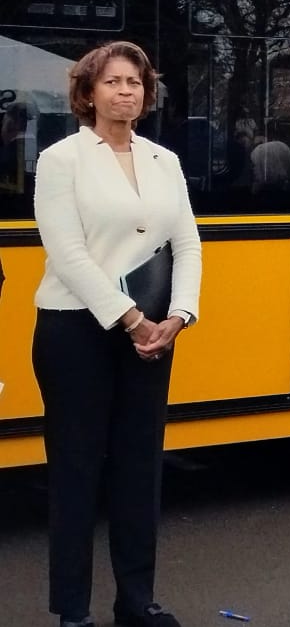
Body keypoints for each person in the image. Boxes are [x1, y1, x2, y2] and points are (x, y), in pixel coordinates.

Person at [31, 41, 202, 627]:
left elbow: (187, 244)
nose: (125, 91)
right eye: (112, 82)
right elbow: (68, 254)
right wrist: (132, 319)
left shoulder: (164, 161)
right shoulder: (61, 160)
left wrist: (179, 315)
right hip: (75, 332)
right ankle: (72, 610)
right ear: (88, 92)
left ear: (146, 94)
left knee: (140, 469)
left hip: (154, 334)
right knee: (76, 472)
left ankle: (136, 601)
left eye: (135, 82)